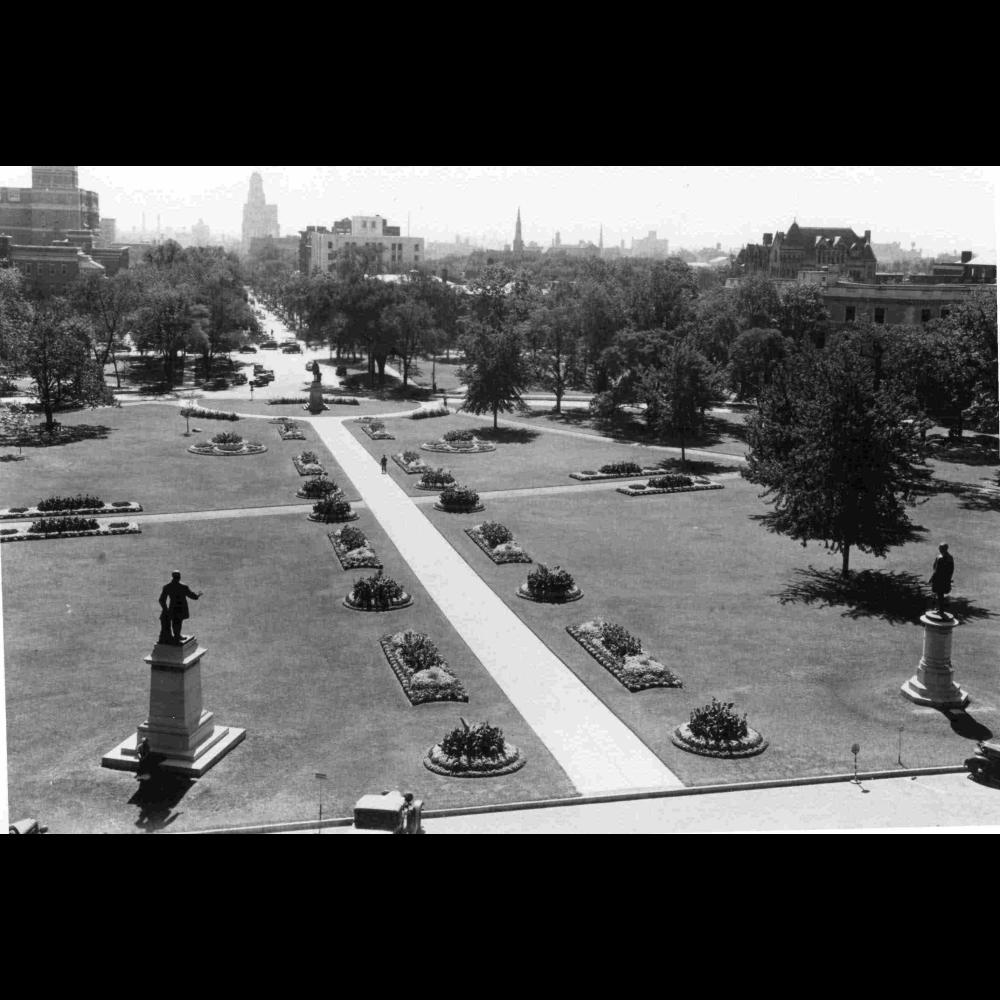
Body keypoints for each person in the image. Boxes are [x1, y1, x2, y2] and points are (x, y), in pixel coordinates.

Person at [158, 572, 204, 645]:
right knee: (178, 622)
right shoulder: (183, 587)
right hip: (181, 608)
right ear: (179, 577)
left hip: (172, 608)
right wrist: (198, 595)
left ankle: (177, 636)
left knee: (175, 622)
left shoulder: (167, 587)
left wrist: (165, 610)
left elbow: (161, 600)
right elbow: (193, 596)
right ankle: (177, 637)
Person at [929, 544, 955, 616]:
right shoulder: (950, 557)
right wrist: (948, 579)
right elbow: (951, 570)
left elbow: (936, 570)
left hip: (939, 579)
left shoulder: (940, 558)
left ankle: (941, 611)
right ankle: (940, 609)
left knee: (940, 595)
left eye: (940, 548)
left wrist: (931, 578)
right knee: (940, 595)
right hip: (945, 579)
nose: (939, 549)